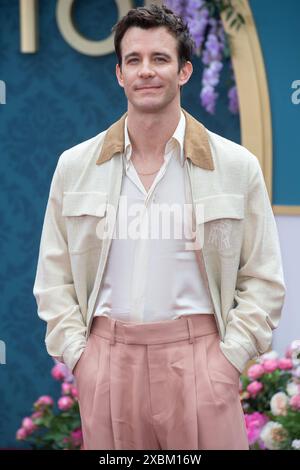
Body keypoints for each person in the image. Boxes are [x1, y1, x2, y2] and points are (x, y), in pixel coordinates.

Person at [33, 4, 286, 450]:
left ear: (185, 71)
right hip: (108, 364)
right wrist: (81, 358)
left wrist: (227, 362)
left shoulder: (235, 166)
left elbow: (263, 279)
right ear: (119, 74)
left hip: (202, 361)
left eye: (160, 59)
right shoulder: (75, 167)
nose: (146, 71)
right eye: (134, 60)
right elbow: (54, 280)